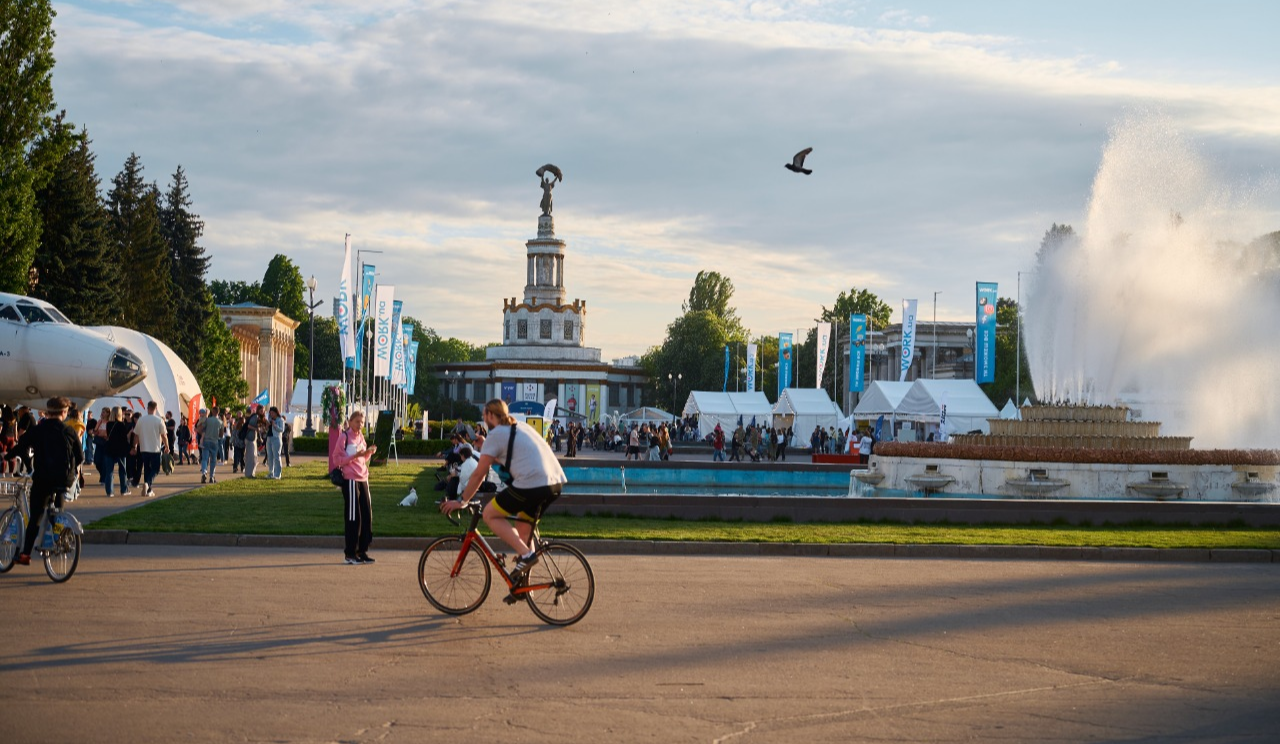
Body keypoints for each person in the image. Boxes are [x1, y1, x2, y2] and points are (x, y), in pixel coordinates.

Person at [441, 399, 566, 582]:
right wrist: (486, 448)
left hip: (531, 484)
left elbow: (479, 475)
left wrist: (462, 501)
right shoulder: (520, 427)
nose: (484, 420)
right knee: (523, 528)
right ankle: (523, 584)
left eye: (484, 416)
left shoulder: (497, 434)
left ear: (491, 415)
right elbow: (511, 456)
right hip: (555, 482)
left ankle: (526, 555)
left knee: (490, 514)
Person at [13, 397, 83, 566]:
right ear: (64, 413)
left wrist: (9, 456)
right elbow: (80, 456)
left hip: (43, 478)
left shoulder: (39, 430)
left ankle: (25, 554)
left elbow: (22, 445)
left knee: (36, 515)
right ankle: (59, 535)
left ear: (47, 411)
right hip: (63, 479)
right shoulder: (69, 431)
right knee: (58, 510)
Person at [332, 410, 377, 564]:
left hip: (363, 477)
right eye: (357, 421)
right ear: (350, 422)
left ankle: (362, 550)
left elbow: (363, 457)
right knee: (353, 516)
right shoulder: (344, 437)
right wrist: (354, 457)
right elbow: (336, 459)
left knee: (366, 514)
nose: (360, 425)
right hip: (350, 478)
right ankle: (350, 553)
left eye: (362, 422)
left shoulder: (361, 437)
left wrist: (369, 452)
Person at [135, 401, 168, 498]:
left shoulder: (141, 420)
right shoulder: (159, 420)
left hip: (144, 448)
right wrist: (167, 446)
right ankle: (147, 483)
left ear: (147, 408)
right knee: (155, 469)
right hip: (155, 448)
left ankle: (148, 489)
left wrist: (134, 446)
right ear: (156, 408)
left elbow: (136, 434)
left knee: (147, 468)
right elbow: (164, 435)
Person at [103, 407, 132, 497]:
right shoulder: (121, 425)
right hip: (120, 450)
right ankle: (124, 490)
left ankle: (109, 491)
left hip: (110, 449)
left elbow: (108, 435)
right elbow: (124, 438)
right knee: (122, 471)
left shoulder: (108, 424)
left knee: (109, 472)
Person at [200, 409, 224, 483]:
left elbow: (201, 428)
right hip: (215, 442)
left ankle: (204, 472)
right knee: (213, 460)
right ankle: (212, 477)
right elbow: (221, 434)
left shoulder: (207, 420)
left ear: (212, 412)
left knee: (204, 458)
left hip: (206, 441)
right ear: (218, 412)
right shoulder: (220, 422)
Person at [242, 406, 261, 478]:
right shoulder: (255, 417)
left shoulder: (255, 417)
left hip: (252, 439)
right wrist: (256, 429)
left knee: (254, 457)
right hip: (250, 439)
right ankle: (249, 474)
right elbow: (249, 426)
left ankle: (251, 473)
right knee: (251, 457)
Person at [266, 406, 285, 479]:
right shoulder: (270, 419)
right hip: (269, 438)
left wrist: (275, 425)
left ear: (276, 413)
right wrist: (267, 425)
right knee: (270, 456)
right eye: (270, 413)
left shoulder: (280, 420)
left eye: (272, 413)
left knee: (276, 456)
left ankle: (277, 474)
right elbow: (267, 429)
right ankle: (271, 473)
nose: (271, 414)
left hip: (276, 439)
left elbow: (282, 430)